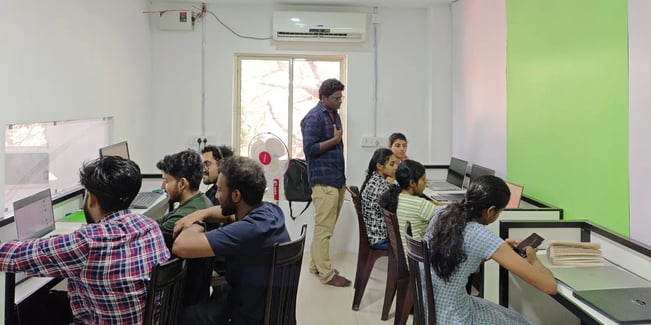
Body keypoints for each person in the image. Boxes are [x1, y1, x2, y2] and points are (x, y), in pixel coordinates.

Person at [0, 156, 170, 324]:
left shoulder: (88, 242)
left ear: (92, 198)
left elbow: (11, 257)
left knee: (30, 310)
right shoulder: (150, 227)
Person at [172, 156, 290, 325]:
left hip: (245, 314)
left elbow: (180, 246)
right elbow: (226, 212)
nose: (217, 196)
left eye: (219, 190)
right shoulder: (271, 211)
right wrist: (202, 213)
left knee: (178, 316)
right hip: (265, 306)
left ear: (236, 195)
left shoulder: (247, 230)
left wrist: (197, 223)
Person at [424, 175, 557, 324]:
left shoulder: (442, 214)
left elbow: (459, 256)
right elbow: (549, 286)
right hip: (455, 317)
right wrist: (533, 258)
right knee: (521, 322)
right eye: (500, 212)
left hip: (431, 308)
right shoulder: (479, 234)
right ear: (491, 211)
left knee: (510, 316)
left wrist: (496, 250)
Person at [300, 78, 351, 287]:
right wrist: (335, 140)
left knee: (325, 226)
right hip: (323, 181)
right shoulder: (314, 117)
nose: (340, 101)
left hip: (336, 180)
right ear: (323, 98)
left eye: (341, 97)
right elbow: (309, 150)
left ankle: (315, 265)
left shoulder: (334, 114)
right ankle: (327, 274)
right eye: (336, 98)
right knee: (324, 229)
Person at [156, 149, 214, 306]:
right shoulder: (198, 202)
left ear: (182, 183)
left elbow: (152, 234)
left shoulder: (185, 215)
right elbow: (158, 222)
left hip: (177, 301)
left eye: (167, 181)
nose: (163, 186)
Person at [379, 159, 441, 243]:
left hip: (405, 251)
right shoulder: (420, 204)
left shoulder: (396, 197)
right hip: (418, 254)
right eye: (423, 179)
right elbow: (446, 215)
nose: (425, 182)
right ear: (412, 183)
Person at [360, 148, 400, 250]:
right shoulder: (382, 187)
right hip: (381, 239)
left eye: (396, 164)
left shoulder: (373, 180)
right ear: (379, 166)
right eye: (392, 164)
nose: (396, 167)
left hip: (374, 235)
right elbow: (397, 209)